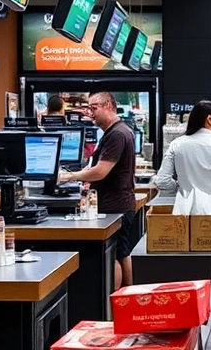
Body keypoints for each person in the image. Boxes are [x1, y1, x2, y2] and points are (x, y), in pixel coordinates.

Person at [58, 92, 136, 288]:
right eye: (88, 108)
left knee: (116, 255)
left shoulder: (117, 134)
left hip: (115, 205)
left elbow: (100, 172)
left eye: (94, 108)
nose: (89, 113)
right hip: (116, 203)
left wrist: (68, 177)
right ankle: (124, 301)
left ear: (109, 106)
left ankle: (116, 305)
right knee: (122, 252)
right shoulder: (114, 131)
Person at [152, 101, 211, 219]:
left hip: (183, 214)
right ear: (209, 119)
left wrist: (182, 189)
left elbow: (162, 180)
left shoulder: (176, 144)